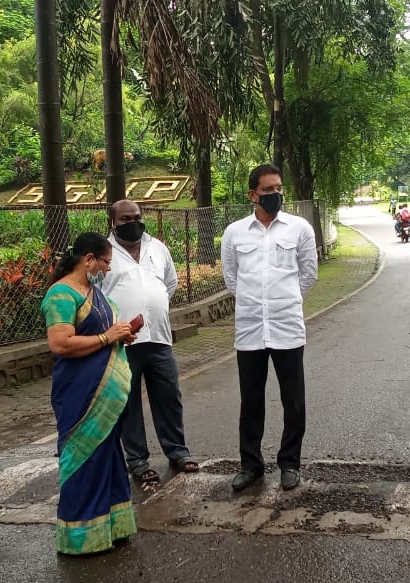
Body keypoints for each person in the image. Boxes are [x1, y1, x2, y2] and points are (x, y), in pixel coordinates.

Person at [221, 164, 318, 492]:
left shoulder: (299, 228)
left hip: (287, 327)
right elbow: (231, 278)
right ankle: (251, 465)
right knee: (251, 400)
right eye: (268, 190)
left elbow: (308, 273)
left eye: (279, 189)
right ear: (252, 195)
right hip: (249, 330)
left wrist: (284, 300)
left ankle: (290, 463)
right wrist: (255, 302)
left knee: (293, 400)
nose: (275, 195)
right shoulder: (235, 232)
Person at [42, 232, 139, 555]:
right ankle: (82, 537)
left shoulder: (93, 292)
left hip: (106, 395)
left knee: (108, 458)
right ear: (88, 260)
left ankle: (112, 527)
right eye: (106, 262)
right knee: (85, 458)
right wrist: (106, 337)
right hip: (81, 393)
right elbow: (60, 344)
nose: (108, 269)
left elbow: (103, 334)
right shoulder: (61, 295)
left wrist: (120, 335)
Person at [100, 199, 198, 485]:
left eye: (137, 217)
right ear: (113, 223)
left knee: (169, 397)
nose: (133, 223)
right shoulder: (105, 253)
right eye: (125, 219)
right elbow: (95, 290)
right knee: (128, 404)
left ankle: (177, 451)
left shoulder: (158, 247)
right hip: (124, 342)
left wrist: (156, 306)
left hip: (159, 337)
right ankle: (138, 460)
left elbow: (170, 282)